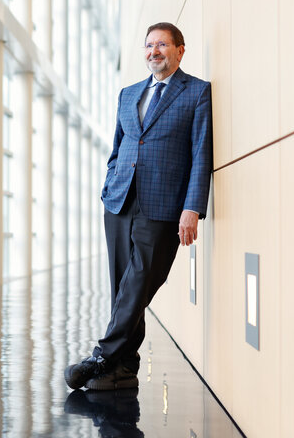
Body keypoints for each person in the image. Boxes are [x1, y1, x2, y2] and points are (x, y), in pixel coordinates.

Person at [65, 22, 213, 391]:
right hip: (119, 200)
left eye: (162, 44)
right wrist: (108, 183)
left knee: (140, 281)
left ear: (180, 49)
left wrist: (192, 208)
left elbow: (201, 154)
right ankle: (124, 368)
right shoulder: (128, 94)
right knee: (122, 285)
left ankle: (102, 356)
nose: (154, 51)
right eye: (149, 45)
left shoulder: (196, 92)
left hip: (163, 205)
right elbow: (118, 148)